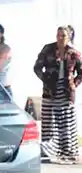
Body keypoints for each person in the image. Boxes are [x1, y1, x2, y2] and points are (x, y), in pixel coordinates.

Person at [34, 25, 82, 164]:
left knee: (66, 122)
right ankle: (49, 153)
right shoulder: (48, 49)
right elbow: (37, 67)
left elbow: (81, 72)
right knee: (49, 122)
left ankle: (68, 153)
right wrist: (46, 79)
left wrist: (74, 84)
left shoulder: (74, 53)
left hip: (66, 91)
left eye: (63, 36)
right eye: (58, 35)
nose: (60, 38)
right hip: (50, 90)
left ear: (69, 37)